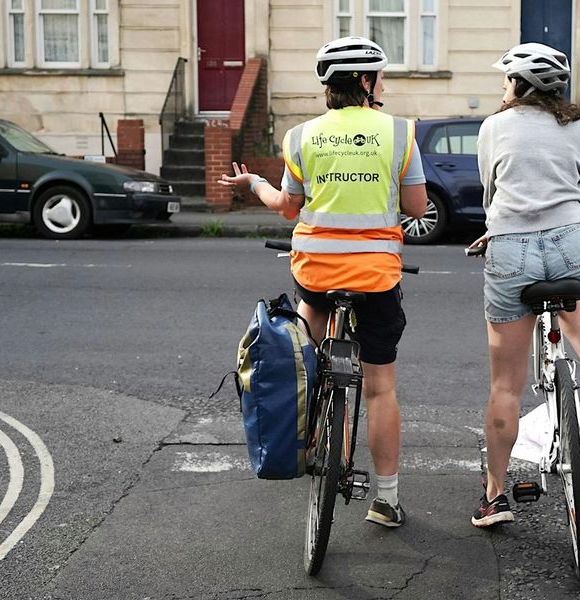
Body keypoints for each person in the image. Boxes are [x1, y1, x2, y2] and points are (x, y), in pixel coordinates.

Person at [218, 36, 428, 528]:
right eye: (379, 76)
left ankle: (310, 427)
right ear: (363, 81)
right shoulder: (400, 133)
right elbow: (417, 208)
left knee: (305, 352)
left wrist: (253, 183)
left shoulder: (301, 136)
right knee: (379, 389)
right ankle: (387, 500)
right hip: (376, 276)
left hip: (315, 271)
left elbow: (286, 208)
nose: (383, 84)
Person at [467, 42, 580, 528]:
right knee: (571, 291)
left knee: (505, 388)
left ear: (518, 85)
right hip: (575, 245)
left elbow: (493, 194)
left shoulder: (493, 127)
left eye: (506, 80)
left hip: (511, 252)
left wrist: (503, 229)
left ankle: (494, 497)